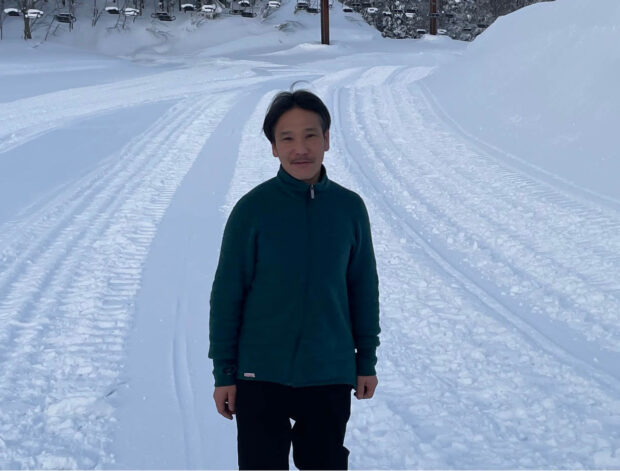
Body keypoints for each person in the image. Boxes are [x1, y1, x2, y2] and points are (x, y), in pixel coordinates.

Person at [208, 89, 381, 470]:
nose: (300, 148)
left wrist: (365, 360)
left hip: (328, 372)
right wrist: (225, 373)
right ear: (273, 147)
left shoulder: (349, 209)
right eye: (287, 138)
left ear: (327, 139)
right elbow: (227, 297)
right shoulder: (252, 211)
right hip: (259, 373)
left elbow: (363, 290)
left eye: (310, 135)